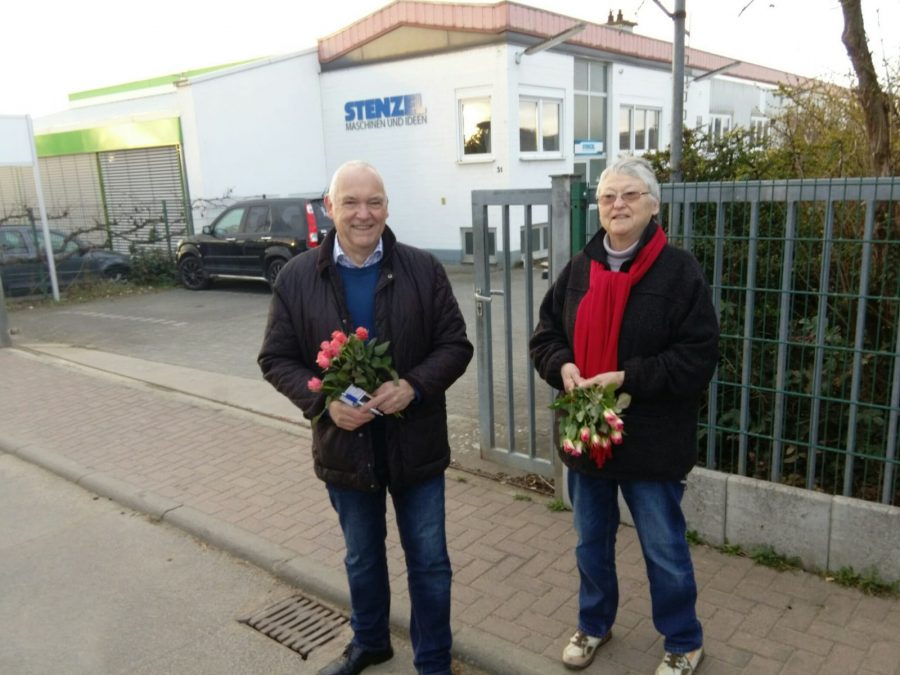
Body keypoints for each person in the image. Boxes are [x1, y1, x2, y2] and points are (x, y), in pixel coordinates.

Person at [258, 160, 473, 675]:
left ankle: (435, 662)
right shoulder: (297, 277)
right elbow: (276, 358)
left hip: (414, 444)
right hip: (345, 448)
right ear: (329, 208)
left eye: (373, 201)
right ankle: (371, 641)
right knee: (362, 558)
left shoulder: (423, 268)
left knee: (429, 564)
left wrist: (413, 387)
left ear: (387, 206)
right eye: (350, 202)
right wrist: (322, 402)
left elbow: (455, 345)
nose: (363, 213)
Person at [530, 155, 719, 674]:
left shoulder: (679, 272)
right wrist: (563, 365)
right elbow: (545, 334)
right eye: (609, 196)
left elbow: (698, 356)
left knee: (663, 549)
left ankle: (683, 640)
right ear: (598, 207)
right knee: (591, 543)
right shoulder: (579, 269)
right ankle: (594, 624)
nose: (618, 205)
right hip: (587, 438)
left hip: (653, 442)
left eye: (630, 195)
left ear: (653, 205)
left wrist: (626, 378)